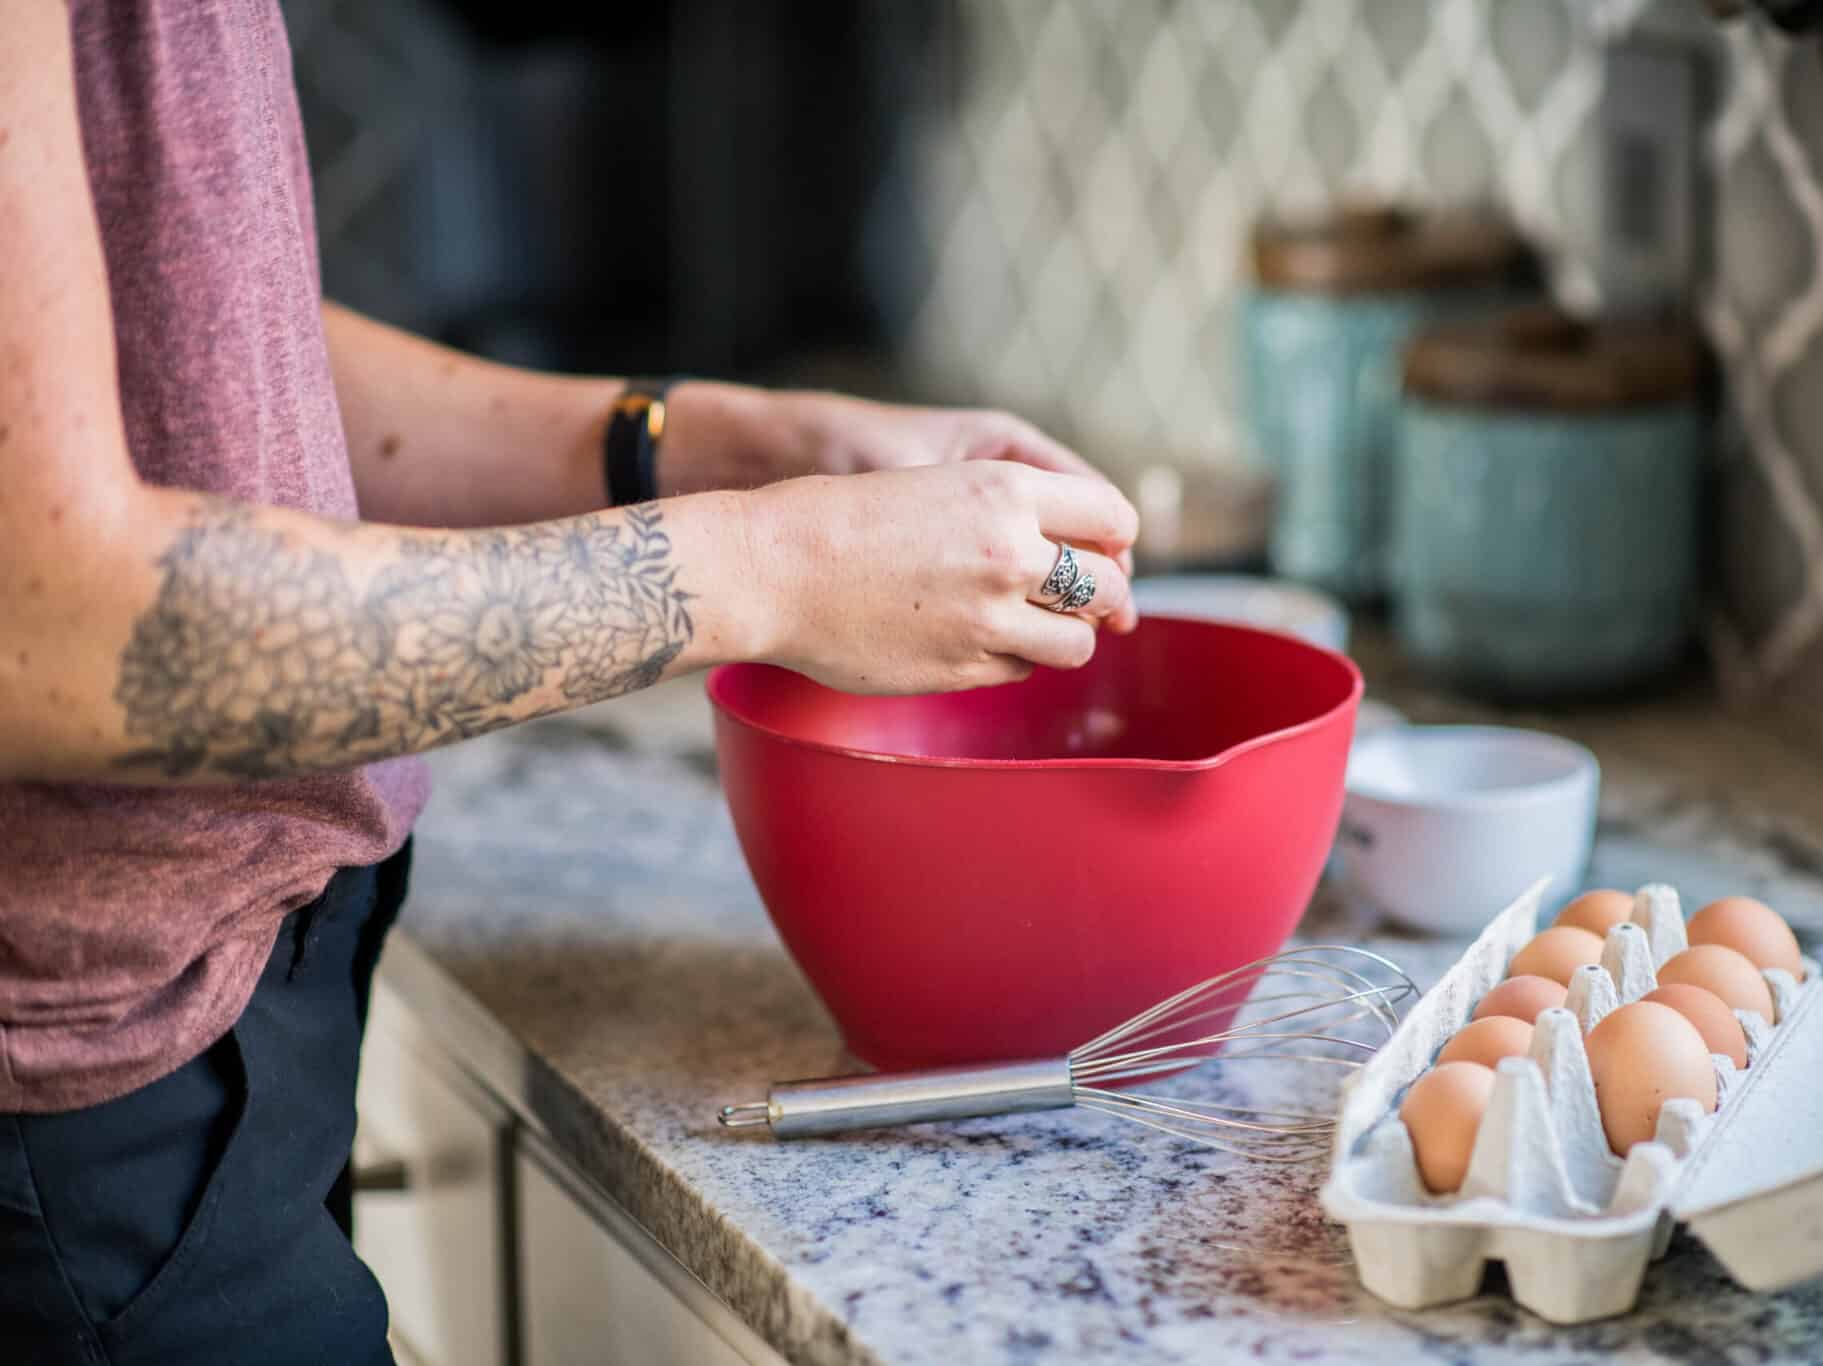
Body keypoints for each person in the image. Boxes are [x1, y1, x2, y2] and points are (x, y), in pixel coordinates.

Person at [0, 3, 1139, 1361]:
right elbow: (55, 628)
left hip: (227, 1027)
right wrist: (774, 563)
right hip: (80, 1147)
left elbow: (184, 336)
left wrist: (746, 444)